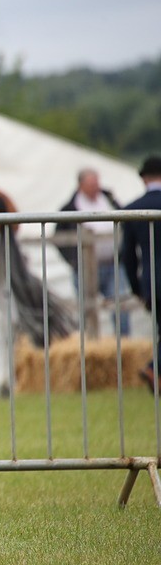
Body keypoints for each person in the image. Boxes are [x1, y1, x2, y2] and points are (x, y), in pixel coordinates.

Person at [56, 168, 129, 334]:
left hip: (113, 264)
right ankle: (89, 345)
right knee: (86, 311)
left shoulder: (110, 200)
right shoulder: (69, 207)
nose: (96, 187)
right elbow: (59, 237)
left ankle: (124, 343)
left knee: (121, 307)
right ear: (81, 185)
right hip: (85, 268)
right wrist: (73, 260)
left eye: (97, 183)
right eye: (91, 184)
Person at [120, 155, 161, 390]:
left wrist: (137, 287)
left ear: (144, 179)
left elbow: (127, 255)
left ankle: (155, 370)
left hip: (152, 281)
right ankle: (154, 368)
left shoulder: (132, 209)